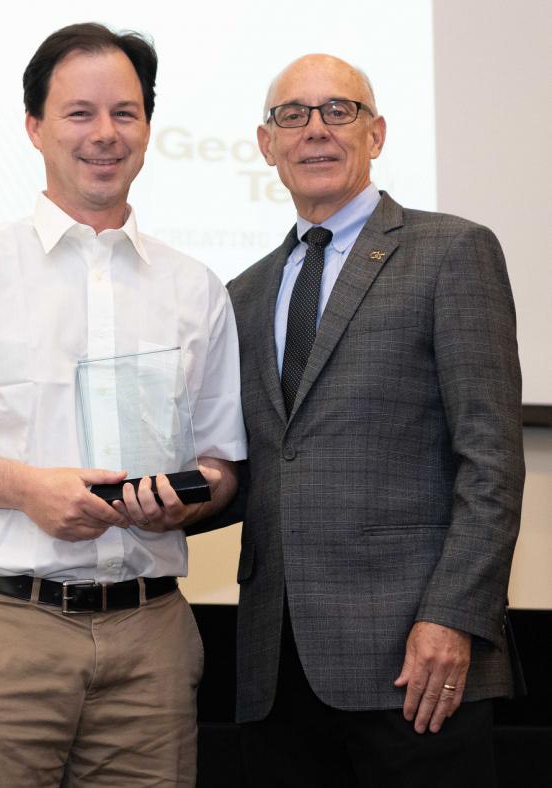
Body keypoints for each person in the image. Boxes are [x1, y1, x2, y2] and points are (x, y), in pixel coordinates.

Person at [0, 23, 246, 788]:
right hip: (3, 633)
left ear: (149, 129)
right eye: (79, 113)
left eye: (125, 114)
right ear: (34, 127)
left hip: (151, 643)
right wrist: (28, 490)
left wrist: (184, 501)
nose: (105, 134)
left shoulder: (195, 287)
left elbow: (222, 464)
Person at [224, 53, 524, 786]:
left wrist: (454, 617)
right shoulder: (245, 291)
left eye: (339, 111)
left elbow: (491, 461)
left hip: (415, 663)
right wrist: (149, 499)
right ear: (268, 145)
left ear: (376, 132)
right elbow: (258, 465)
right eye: (292, 115)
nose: (315, 131)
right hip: (277, 668)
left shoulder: (452, 251)